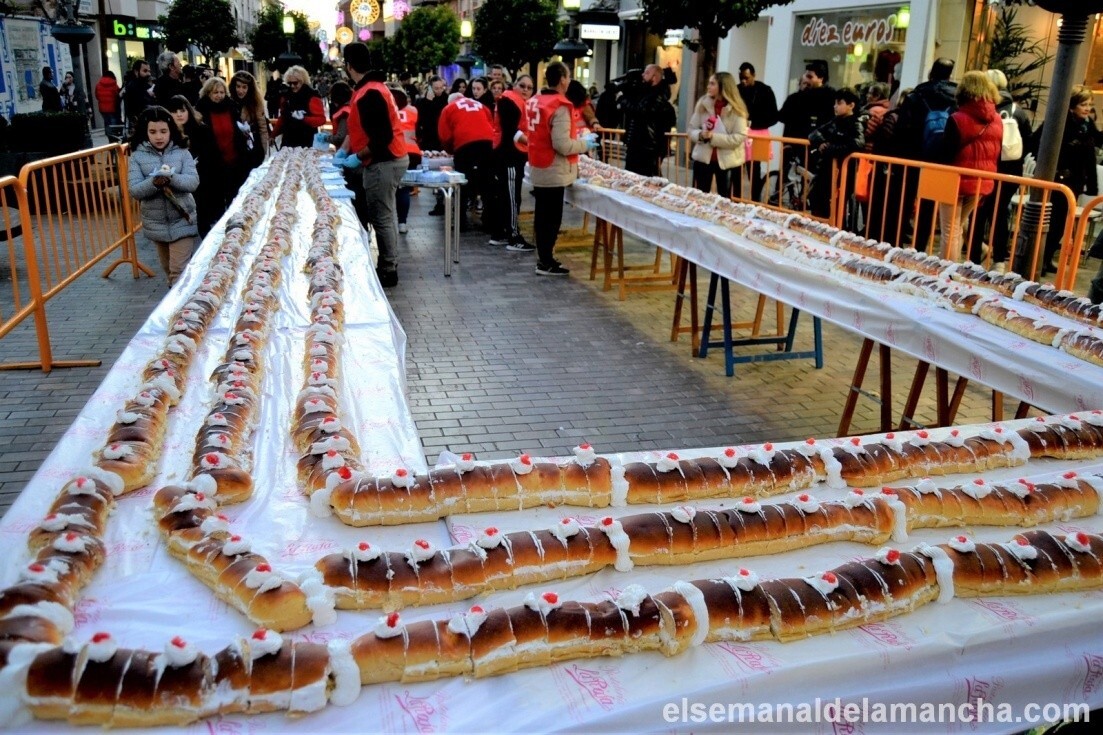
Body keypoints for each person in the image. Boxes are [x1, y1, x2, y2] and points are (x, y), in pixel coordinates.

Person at [339, 42, 409, 289]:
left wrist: (358, 157)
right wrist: (347, 150)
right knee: (384, 215)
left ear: (349, 66)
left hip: (384, 161)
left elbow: (382, 137)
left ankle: (388, 269)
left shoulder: (369, 92)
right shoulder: (373, 88)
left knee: (382, 217)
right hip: (387, 158)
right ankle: (388, 264)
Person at [1029, 85, 1101, 277]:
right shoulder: (1059, 122)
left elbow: (1092, 150)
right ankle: (1039, 260)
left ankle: (1046, 257)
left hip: (1074, 181)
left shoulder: (1087, 125)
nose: (1087, 108)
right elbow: (1035, 143)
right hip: (1057, 179)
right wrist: (1053, 168)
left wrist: (1091, 185)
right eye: (1083, 104)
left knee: (1060, 224)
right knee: (1050, 221)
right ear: (1072, 106)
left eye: (1089, 105)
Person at [529, 61, 593, 277]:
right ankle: (546, 261)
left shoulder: (536, 100)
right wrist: (585, 144)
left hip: (538, 163)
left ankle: (544, 258)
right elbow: (563, 145)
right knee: (551, 218)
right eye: (568, 76)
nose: (570, 80)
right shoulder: (560, 105)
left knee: (542, 215)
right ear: (563, 79)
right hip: (553, 168)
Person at [127, 106, 199, 287]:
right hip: (156, 224)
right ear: (145, 132)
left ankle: (182, 303)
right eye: (153, 132)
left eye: (163, 131)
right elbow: (135, 190)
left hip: (183, 220)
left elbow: (192, 182)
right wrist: (154, 182)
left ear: (171, 130)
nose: (158, 137)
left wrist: (171, 177)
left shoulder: (182, 152)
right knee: (169, 271)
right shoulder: (137, 157)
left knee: (178, 272)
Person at [967, 69, 1033, 267]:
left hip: (986, 169)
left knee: (978, 213)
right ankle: (999, 260)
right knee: (1000, 213)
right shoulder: (1017, 111)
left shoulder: (983, 109)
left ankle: (973, 258)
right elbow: (1028, 142)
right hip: (1010, 172)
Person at [936, 71, 1002, 261]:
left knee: (950, 229)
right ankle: (952, 266)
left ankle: (947, 269)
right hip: (982, 181)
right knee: (958, 225)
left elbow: (946, 152)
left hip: (955, 179)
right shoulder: (997, 119)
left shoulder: (957, 118)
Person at [894, 58, 957, 250]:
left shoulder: (916, 95)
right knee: (928, 205)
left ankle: (897, 242)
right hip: (940, 159)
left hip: (913, 155)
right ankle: (920, 247)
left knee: (905, 200)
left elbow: (901, 128)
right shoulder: (957, 98)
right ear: (950, 75)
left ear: (931, 72)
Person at [490, 73, 534, 251]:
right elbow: (511, 130)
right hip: (509, 155)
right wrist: (533, 143)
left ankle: (500, 233)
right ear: (514, 85)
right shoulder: (509, 100)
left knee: (505, 195)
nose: (525, 90)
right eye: (522, 85)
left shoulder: (513, 101)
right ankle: (513, 237)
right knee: (512, 197)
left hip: (510, 154)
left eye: (529, 88)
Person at [687, 71, 748, 200]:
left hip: (728, 163)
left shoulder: (737, 110)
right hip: (703, 160)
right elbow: (691, 129)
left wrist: (713, 137)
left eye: (712, 83)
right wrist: (700, 135)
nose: (708, 86)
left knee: (727, 202)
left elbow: (738, 138)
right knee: (698, 200)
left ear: (723, 87)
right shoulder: (703, 104)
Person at [806, 87, 864, 220]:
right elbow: (813, 133)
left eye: (839, 103)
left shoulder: (856, 124)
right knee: (817, 200)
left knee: (837, 208)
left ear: (851, 105)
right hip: (825, 170)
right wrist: (821, 143)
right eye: (835, 103)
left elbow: (858, 143)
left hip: (843, 173)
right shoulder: (834, 121)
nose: (835, 106)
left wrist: (831, 149)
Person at [164, 94, 218, 237]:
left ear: (188, 110)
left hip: (201, 180)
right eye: (174, 111)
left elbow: (211, 156)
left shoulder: (202, 129)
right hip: (177, 182)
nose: (179, 114)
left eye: (182, 110)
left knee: (203, 219)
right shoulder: (166, 133)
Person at [618, 64, 677, 176]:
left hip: (647, 148)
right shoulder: (646, 93)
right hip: (638, 145)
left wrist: (622, 100)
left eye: (647, 73)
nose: (643, 75)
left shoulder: (658, 96)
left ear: (655, 77)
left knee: (646, 178)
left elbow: (640, 111)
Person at [737, 63, 779, 201]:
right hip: (739, 134)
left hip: (758, 134)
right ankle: (735, 200)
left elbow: (774, 117)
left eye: (746, 78)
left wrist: (753, 123)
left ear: (754, 75)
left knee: (754, 170)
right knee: (736, 168)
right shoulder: (737, 90)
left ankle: (755, 201)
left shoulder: (765, 91)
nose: (743, 81)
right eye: (741, 78)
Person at [414, 76, 449, 216]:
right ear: (430, 88)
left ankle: (443, 201)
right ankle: (439, 201)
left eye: (441, 88)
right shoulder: (422, 102)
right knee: (434, 172)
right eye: (436, 88)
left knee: (445, 171)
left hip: (443, 140)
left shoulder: (446, 100)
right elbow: (422, 119)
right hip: (430, 140)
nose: (439, 91)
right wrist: (428, 102)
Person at [270, 66, 326, 148]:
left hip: (307, 140)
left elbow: (321, 120)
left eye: (295, 83)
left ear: (302, 81)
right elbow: (282, 117)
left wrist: (304, 118)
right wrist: (273, 135)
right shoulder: (286, 96)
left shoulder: (312, 96)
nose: (292, 86)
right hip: (288, 140)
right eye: (290, 83)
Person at [393, 87, 421, 235]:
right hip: (412, 151)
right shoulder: (413, 110)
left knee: (388, 189)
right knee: (404, 188)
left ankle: (386, 224)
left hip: (394, 151)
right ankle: (402, 223)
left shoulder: (387, 110)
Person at [229, 71, 269, 172]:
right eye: (238, 86)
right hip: (236, 147)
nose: (241, 90)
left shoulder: (255, 103)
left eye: (244, 87)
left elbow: (262, 127)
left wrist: (264, 149)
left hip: (253, 146)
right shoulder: (229, 102)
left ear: (249, 88)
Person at [122, 60, 154, 131]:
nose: (148, 74)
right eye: (145, 71)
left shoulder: (145, 85)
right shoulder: (132, 87)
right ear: (136, 72)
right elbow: (138, 106)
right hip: (139, 124)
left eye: (149, 71)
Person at [94, 71, 122, 139]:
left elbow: (97, 96)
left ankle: (108, 135)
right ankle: (113, 137)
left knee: (107, 122)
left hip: (102, 108)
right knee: (113, 122)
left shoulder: (98, 85)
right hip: (112, 107)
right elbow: (117, 95)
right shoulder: (114, 84)